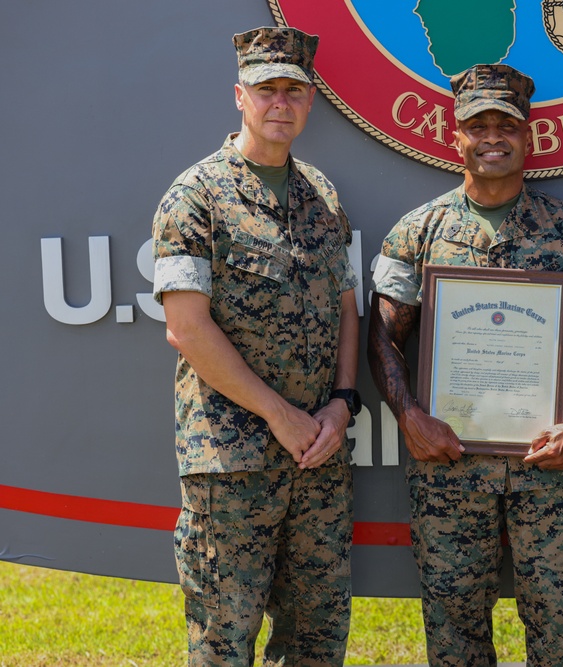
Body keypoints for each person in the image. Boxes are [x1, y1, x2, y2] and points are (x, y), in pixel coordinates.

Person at [367, 64, 563, 667]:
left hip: (549, 464)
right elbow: (380, 336)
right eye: (479, 125)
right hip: (448, 465)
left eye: (508, 124)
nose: (493, 137)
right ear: (457, 136)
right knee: (454, 637)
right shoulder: (419, 233)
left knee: (559, 635)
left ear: (529, 137)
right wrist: (410, 417)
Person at [152, 27, 361, 666]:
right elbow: (186, 328)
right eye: (266, 89)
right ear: (239, 95)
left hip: (317, 460)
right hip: (231, 463)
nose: (280, 103)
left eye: (293, 90)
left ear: (310, 101)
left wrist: (344, 402)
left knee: (318, 639)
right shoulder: (196, 196)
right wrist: (280, 414)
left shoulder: (321, 196)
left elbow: (348, 308)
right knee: (224, 642)